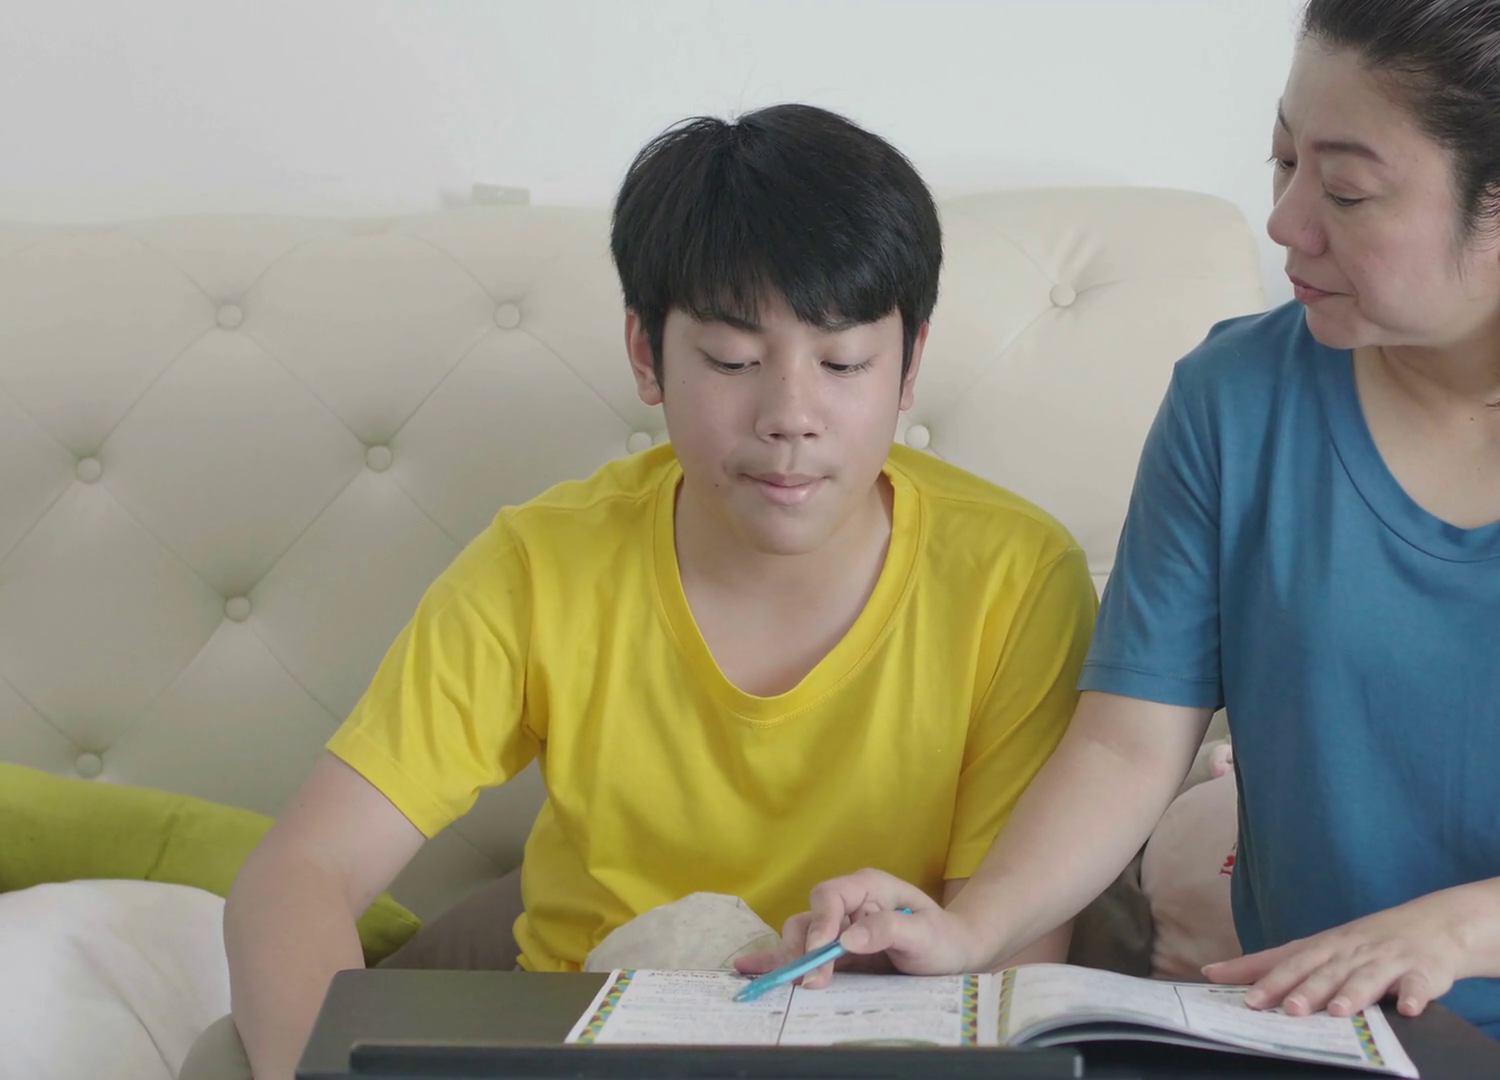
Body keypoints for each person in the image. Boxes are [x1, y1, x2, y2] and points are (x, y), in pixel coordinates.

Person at [748, 0, 1500, 1064]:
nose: (1284, 221)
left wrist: (1449, 931)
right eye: (1285, 162)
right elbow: (1127, 747)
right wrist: (969, 927)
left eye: (1347, 189)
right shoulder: (1234, 404)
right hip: (1328, 1028)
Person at [209, 104, 1095, 1080]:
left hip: (869, 1048)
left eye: (844, 362)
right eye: (732, 361)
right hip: (576, 1043)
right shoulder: (544, 565)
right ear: (646, 355)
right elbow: (300, 873)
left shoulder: (1015, 581)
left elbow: (1009, 965)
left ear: (911, 364)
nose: (790, 416)